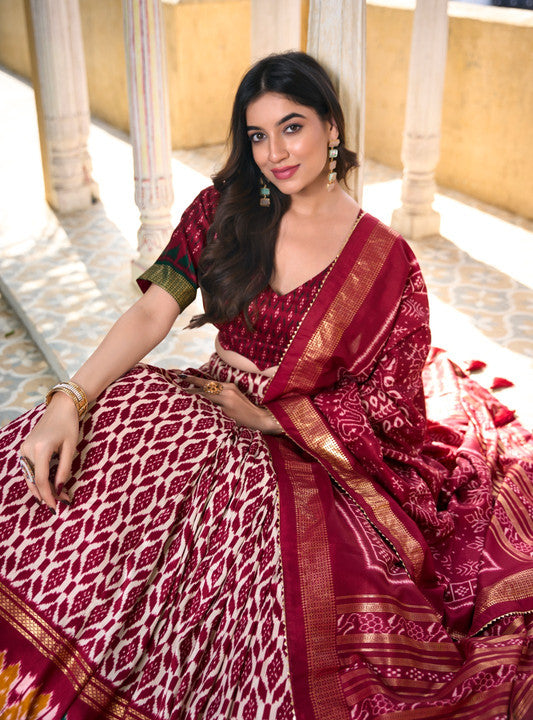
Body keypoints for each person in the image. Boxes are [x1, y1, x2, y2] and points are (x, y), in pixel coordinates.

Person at [0, 52, 532, 720]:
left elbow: (394, 403)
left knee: (263, 591)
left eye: (292, 127)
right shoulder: (223, 208)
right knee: (88, 466)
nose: (275, 152)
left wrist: (277, 421)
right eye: (257, 135)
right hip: (205, 398)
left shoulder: (383, 259)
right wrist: (68, 399)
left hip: (305, 443)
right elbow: (151, 312)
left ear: (330, 128)